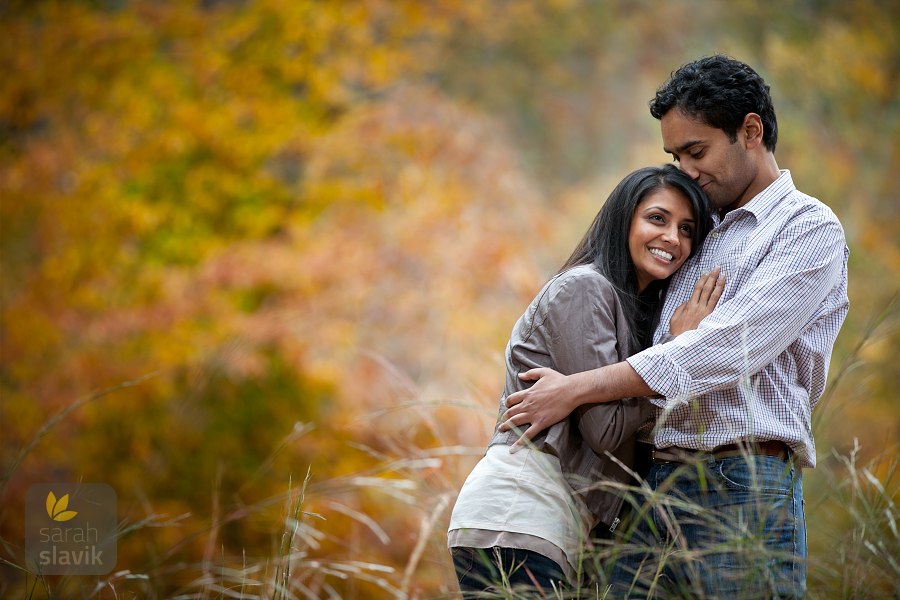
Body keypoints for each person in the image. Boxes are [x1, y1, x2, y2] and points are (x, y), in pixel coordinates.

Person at [498, 55, 850, 598]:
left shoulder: (808, 228)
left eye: (696, 151)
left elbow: (727, 347)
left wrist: (576, 390)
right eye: (675, 154)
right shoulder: (698, 232)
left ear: (750, 131)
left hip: (742, 483)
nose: (684, 169)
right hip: (652, 489)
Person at [448, 165, 721, 596]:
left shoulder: (622, 307)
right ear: (624, 219)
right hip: (516, 518)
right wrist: (675, 352)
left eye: (687, 229)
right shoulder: (586, 289)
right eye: (657, 218)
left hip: (546, 529)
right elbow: (604, 429)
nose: (673, 238)